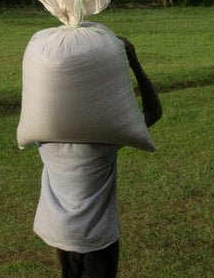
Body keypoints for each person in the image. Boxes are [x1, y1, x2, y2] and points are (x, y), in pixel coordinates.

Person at [33, 36, 162, 278]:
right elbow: (154, 112)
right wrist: (133, 61)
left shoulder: (44, 136)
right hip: (98, 237)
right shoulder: (105, 137)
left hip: (63, 234)